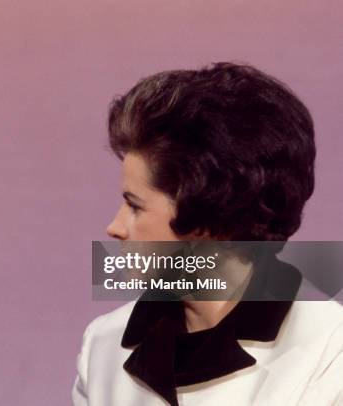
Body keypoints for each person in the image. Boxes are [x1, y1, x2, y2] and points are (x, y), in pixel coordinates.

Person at [72, 63, 343, 405]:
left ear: (206, 217)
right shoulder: (102, 347)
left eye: (135, 206)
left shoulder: (330, 351)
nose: (114, 228)